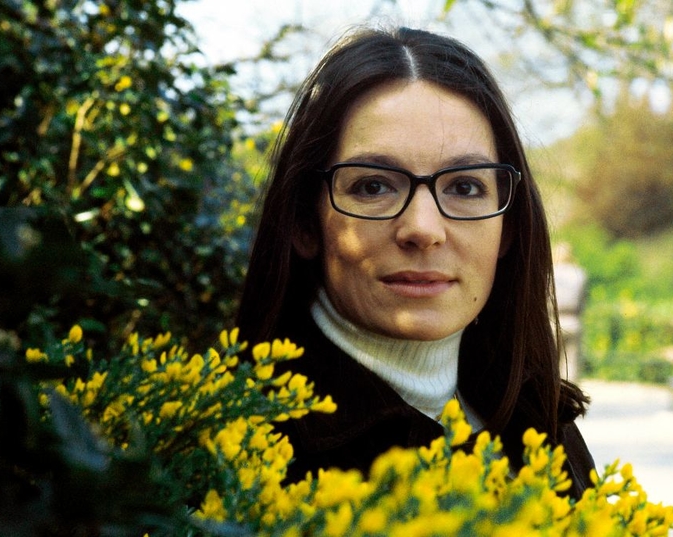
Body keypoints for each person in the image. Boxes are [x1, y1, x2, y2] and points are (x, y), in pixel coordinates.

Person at [236, 26, 595, 499]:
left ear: (508, 228)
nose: (423, 228)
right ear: (305, 223)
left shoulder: (542, 428)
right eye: (373, 186)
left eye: (465, 187)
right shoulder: (240, 451)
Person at [553, 242, 587, 382]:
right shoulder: (579, 273)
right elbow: (584, 298)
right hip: (573, 320)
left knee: (551, 362)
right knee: (571, 363)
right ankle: (569, 397)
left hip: (552, 319)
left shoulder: (549, 270)